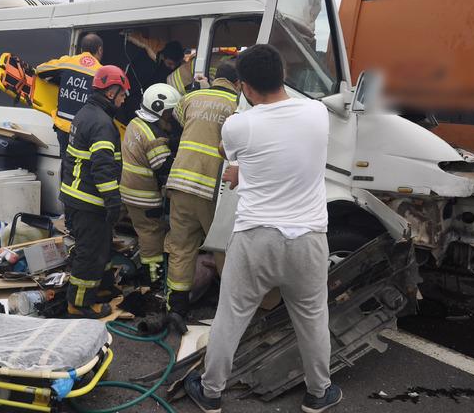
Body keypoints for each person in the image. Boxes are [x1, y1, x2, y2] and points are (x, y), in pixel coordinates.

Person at [184, 44, 340, 413]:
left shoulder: (240, 125)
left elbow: (227, 152)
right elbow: (284, 153)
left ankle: (210, 392)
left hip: (255, 238)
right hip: (308, 238)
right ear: (283, 74)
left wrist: (242, 169)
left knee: (231, 316)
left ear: (245, 87)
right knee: (313, 318)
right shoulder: (318, 113)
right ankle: (319, 392)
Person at [163, 60, 239, 331]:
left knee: (181, 247)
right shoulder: (237, 107)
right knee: (221, 249)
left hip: (180, 183)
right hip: (210, 190)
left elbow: (181, 120)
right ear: (238, 83)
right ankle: (230, 313)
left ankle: (177, 308)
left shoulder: (191, 97)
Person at [60, 65, 129, 318]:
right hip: (89, 201)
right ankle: (79, 304)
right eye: (122, 94)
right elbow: (103, 168)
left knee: (100, 248)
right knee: (89, 254)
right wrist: (113, 202)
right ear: (111, 92)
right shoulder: (102, 124)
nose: (124, 99)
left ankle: (100, 288)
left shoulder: (85, 113)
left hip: (77, 197)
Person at [120, 83, 181, 288]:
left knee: (143, 230)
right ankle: (152, 278)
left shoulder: (136, 123)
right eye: (170, 111)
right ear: (161, 111)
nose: (172, 116)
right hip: (144, 196)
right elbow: (163, 167)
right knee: (151, 234)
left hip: (128, 189)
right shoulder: (155, 137)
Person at [35, 33, 103, 154]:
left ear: (81, 49)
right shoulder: (102, 72)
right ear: (100, 50)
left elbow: (40, 70)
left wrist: (60, 80)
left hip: (63, 128)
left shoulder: (68, 62)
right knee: (80, 163)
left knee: (65, 162)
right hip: (83, 131)